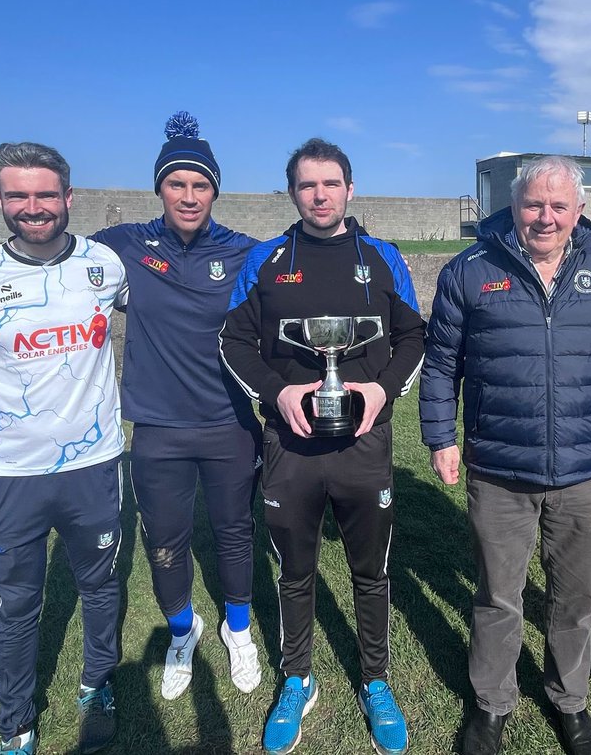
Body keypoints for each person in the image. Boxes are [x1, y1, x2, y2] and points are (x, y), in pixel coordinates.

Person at [0, 113, 265, 702]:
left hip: (231, 423)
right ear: (159, 189)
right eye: (176, 184)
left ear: (215, 190)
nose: (188, 196)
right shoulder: (121, 249)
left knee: (234, 532)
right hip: (158, 429)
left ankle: (238, 629)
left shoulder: (246, 252)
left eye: (200, 185)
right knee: (164, 540)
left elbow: (304, 268)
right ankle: (181, 631)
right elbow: (45, 246)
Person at [419, 156, 591, 755]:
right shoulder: (469, 270)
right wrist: (441, 437)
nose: (544, 218)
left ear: (578, 210)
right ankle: (491, 705)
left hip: (582, 470)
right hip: (498, 470)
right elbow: (442, 364)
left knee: (574, 598)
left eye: (558, 206)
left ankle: (569, 703)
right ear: (514, 206)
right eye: (533, 205)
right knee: (498, 595)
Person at [0, 142, 129, 755]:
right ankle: (16, 722)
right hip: (12, 473)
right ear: (0, 201)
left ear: (69, 198)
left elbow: (163, 311)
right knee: (15, 605)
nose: (32, 207)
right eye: (18, 195)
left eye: (45, 194)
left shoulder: (105, 265)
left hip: (94, 464)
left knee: (99, 586)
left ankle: (96, 684)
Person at [219, 138, 425, 755]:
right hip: (290, 446)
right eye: (307, 185)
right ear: (293, 193)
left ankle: (375, 679)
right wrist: (277, 393)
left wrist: (382, 392)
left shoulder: (382, 257)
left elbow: (414, 335)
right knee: (295, 573)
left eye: (330, 183)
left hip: (364, 445)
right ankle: (297, 677)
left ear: (349, 189)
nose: (319, 195)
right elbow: (233, 342)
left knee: (371, 571)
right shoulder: (266, 259)